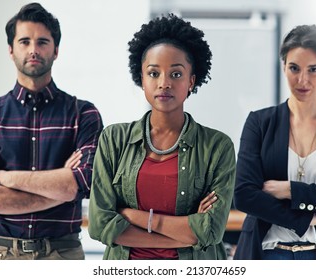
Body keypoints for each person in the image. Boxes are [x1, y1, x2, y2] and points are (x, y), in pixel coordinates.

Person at [88, 14, 236, 260]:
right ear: (142, 79)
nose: (164, 83)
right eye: (154, 73)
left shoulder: (217, 146)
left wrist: (136, 217)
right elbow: (100, 224)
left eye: (176, 74)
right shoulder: (114, 139)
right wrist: (186, 231)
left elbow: (210, 231)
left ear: (191, 81)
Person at [0, 3, 103, 260]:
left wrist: (6, 179)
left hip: (62, 254)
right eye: (24, 41)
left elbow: (84, 184)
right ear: (11, 50)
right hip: (0, 255)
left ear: (56, 50)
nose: (33, 49)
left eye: (42, 42)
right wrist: (61, 184)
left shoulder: (84, 115)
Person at [233, 24, 316, 260]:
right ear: (284, 67)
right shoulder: (259, 123)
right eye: (294, 68)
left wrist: (290, 190)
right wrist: (306, 218)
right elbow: (244, 194)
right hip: (267, 254)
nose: (302, 80)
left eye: (313, 69)